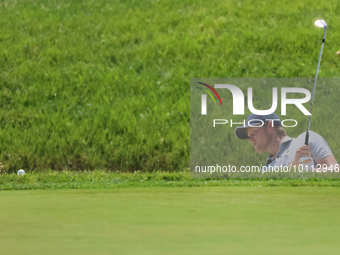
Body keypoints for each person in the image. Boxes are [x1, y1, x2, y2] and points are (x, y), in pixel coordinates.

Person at [234, 113, 338, 169]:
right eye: (249, 136)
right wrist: (293, 167)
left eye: (253, 132)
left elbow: (336, 171)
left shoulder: (306, 139)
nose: (250, 139)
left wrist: (307, 172)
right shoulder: (265, 171)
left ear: (270, 126)